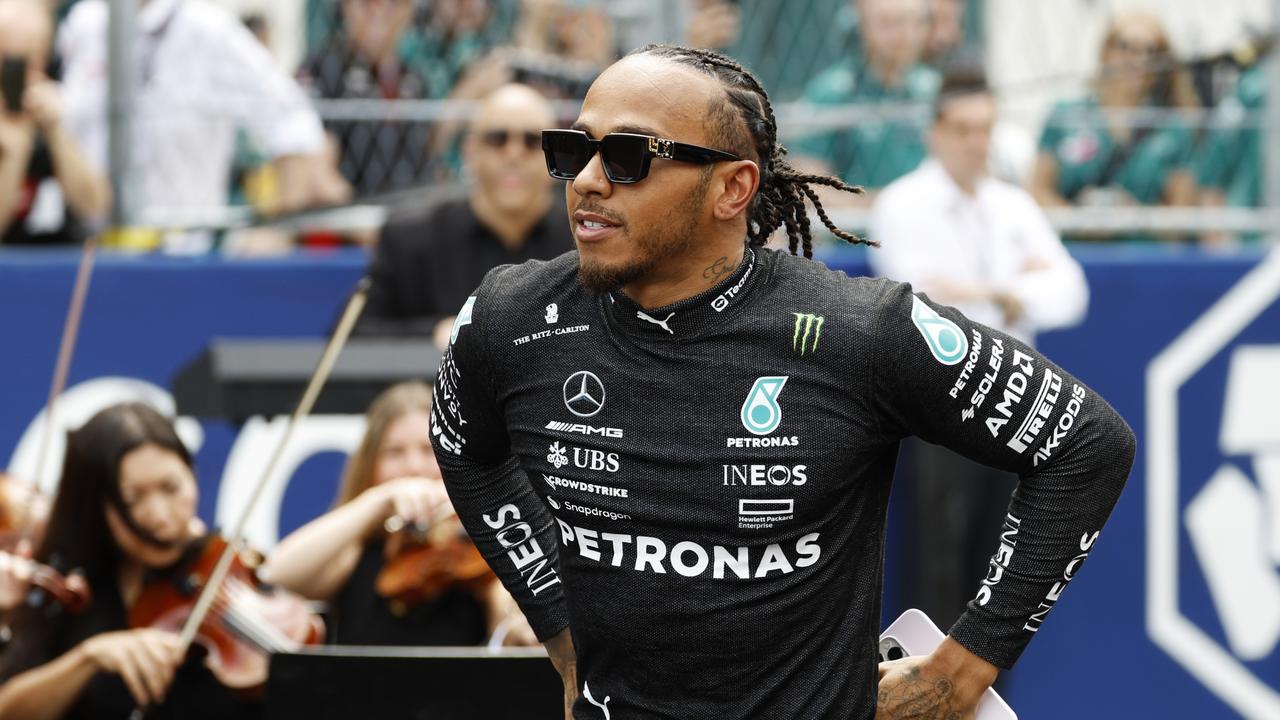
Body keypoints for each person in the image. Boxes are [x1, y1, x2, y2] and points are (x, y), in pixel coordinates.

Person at [431, 44, 1135, 719]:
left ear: (732, 189)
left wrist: (967, 664)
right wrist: (556, 623)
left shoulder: (859, 331)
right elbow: (462, 445)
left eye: (627, 157)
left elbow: (1089, 444)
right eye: (574, 149)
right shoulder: (512, 317)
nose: (587, 179)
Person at [869, 66, 1090, 636]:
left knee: (1009, 575)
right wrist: (1014, 292)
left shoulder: (1013, 205)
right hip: (943, 408)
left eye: (985, 129)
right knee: (939, 566)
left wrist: (996, 292)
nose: (976, 143)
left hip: (1020, 407)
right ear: (936, 130)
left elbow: (1069, 293)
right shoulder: (903, 203)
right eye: (963, 129)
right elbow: (923, 305)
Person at [0, 403, 262, 719]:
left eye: (171, 487)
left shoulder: (227, 566)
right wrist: (89, 656)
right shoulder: (71, 592)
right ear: (97, 505)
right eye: (133, 499)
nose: (161, 516)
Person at [57, 0, 350, 252]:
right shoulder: (85, 23)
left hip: (182, 254)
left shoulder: (206, 27)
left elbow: (293, 120)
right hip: (89, 248)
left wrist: (277, 231)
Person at [260, 381, 535, 647]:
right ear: (371, 463)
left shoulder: (476, 547)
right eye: (394, 453)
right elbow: (276, 573)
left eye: (429, 451)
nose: (414, 467)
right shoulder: (355, 548)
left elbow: (506, 610)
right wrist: (379, 500)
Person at [354, 83, 572, 347]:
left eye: (532, 141)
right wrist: (433, 333)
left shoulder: (581, 241)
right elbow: (354, 336)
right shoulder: (409, 240)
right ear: (470, 151)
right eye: (497, 139)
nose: (514, 154)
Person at [1029, 10, 1198, 243]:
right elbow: (1037, 191)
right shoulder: (1067, 115)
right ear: (1106, 51)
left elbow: (1182, 213)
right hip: (1075, 252)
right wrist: (1078, 219)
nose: (1137, 59)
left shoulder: (1171, 128)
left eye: (1151, 51)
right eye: (1125, 47)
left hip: (1141, 256)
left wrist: (1135, 217)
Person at [792, 0, 940, 200]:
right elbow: (809, 183)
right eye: (890, 23)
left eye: (917, 23)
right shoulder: (832, 92)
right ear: (862, 26)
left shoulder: (933, 89)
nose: (906, 35)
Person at [0, 0, 109, 245]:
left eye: (34, 60)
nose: (21, 76)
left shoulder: (63, 103)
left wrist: (56, 130)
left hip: (63, 263)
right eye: (9, 62)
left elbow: (95, 208)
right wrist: (15, 151)